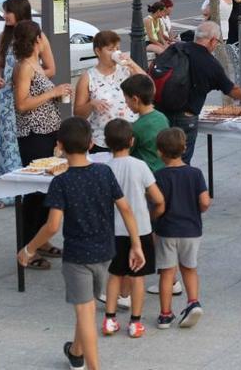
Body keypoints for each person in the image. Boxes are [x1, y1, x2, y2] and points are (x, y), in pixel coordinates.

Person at [17, 117, 145, 370]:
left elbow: (52, 226)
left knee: (85, 312)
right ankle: (76, 352)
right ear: (91, 143)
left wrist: (29, 248)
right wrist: (136, 244)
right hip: (105, 251)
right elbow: (126, 209)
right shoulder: (104, 171)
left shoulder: (61, 182)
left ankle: (94, 366)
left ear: (59, 145)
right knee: (84, 306)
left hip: (77, 256)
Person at [162, 22, 241, 165]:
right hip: (185, 116)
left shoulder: (177, 48)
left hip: (161, 110)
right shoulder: (209, 62)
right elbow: (231, 90)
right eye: (218, 42)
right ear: (213, 40)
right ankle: (177, 185)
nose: (216, 45)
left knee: (163, 156)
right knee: (180, 160)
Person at [13, 20, 69, 270]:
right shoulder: (24, 67)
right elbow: (22, 104)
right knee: (36, 192)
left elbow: (52, 67)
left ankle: (41, 240)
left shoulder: (36, 64)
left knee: (49, 190)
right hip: (34, 133)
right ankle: (27, 246)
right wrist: (53, 93)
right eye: (42, 37)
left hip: (48, 130)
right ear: (36, 40)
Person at [101, 119, 164, 338]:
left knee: (115, 274)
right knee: (138, 277)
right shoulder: (140, 165)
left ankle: (109, 319)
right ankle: (135, 322)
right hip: (141, 228)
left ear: (107, 143)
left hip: (114, 231)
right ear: (132, 141)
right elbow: (157, 198)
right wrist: (153, 215)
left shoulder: (104, 169)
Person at [0, 0, 54, 209]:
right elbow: (0, 64)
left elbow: (50, 68)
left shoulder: (39, 37)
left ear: (18, 12)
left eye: (7, 11)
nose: (4, 16)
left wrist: (28, 77)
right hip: (6, 98)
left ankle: (25, 188)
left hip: (26, 94)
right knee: (7, 143)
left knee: (24, 143)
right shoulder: (4, 36)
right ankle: (7, 191)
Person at [153, 128, 211, 329]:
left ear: (159, 152)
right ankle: (193, 302)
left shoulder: (158, 176)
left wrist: (153, 219)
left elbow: (157, 204)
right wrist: (198, 210)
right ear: (184, 148)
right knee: (190, 268)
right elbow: (205, 201)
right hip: (191, 230)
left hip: (166, 230)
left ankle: (165, 314)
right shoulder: (195, 173)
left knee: (167, 273)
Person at [73, 31, 144, 153]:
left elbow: (148, 85)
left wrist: (132, 63)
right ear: (98, 51)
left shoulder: (126, 70)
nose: (115, 52)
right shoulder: (88, 77)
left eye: (117, 48)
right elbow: (78, 113)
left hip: (129, 138)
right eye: (111, 49)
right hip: (102, 141)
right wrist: (91, 104)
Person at [119, 74, 168, 173]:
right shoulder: (162, 117)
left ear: (135, 99)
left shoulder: (136, 127)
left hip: (145, 175)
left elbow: (124, 153)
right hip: (162, 170)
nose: (125, 102)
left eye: (126, 98)